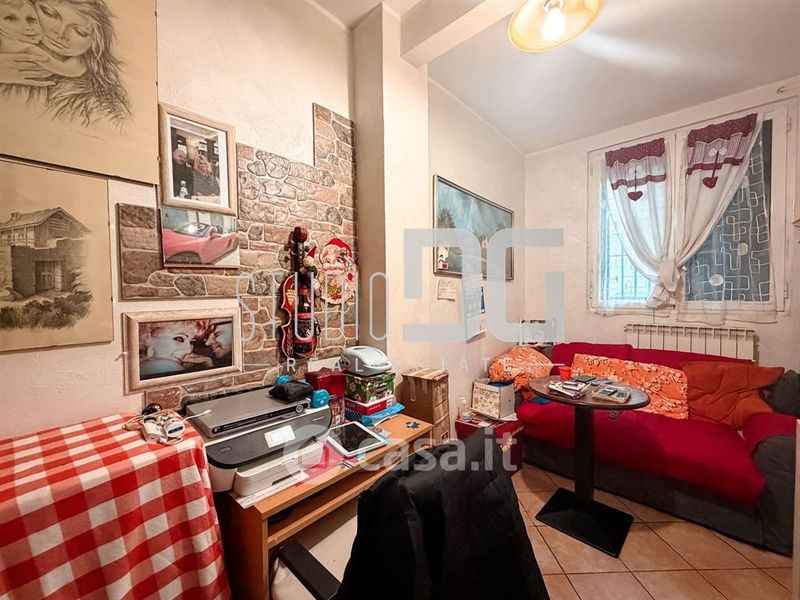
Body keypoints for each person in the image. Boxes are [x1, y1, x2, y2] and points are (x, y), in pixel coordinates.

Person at [32, 0, 130, 126]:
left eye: (79, 31)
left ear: (96, 41)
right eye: (49, 13)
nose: (61, 34)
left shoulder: (95, 104)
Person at [0, 0, 85, 76]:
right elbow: (69, 70)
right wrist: (81, 60)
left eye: (31, 19)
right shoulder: (26, 49)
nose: (27, 27)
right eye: (10, 19)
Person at [139, 321, 212, 379]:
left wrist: (208, 362)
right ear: (149, 338)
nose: (188, 350)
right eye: (179, 339)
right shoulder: (166, 366)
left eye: (191, 342)